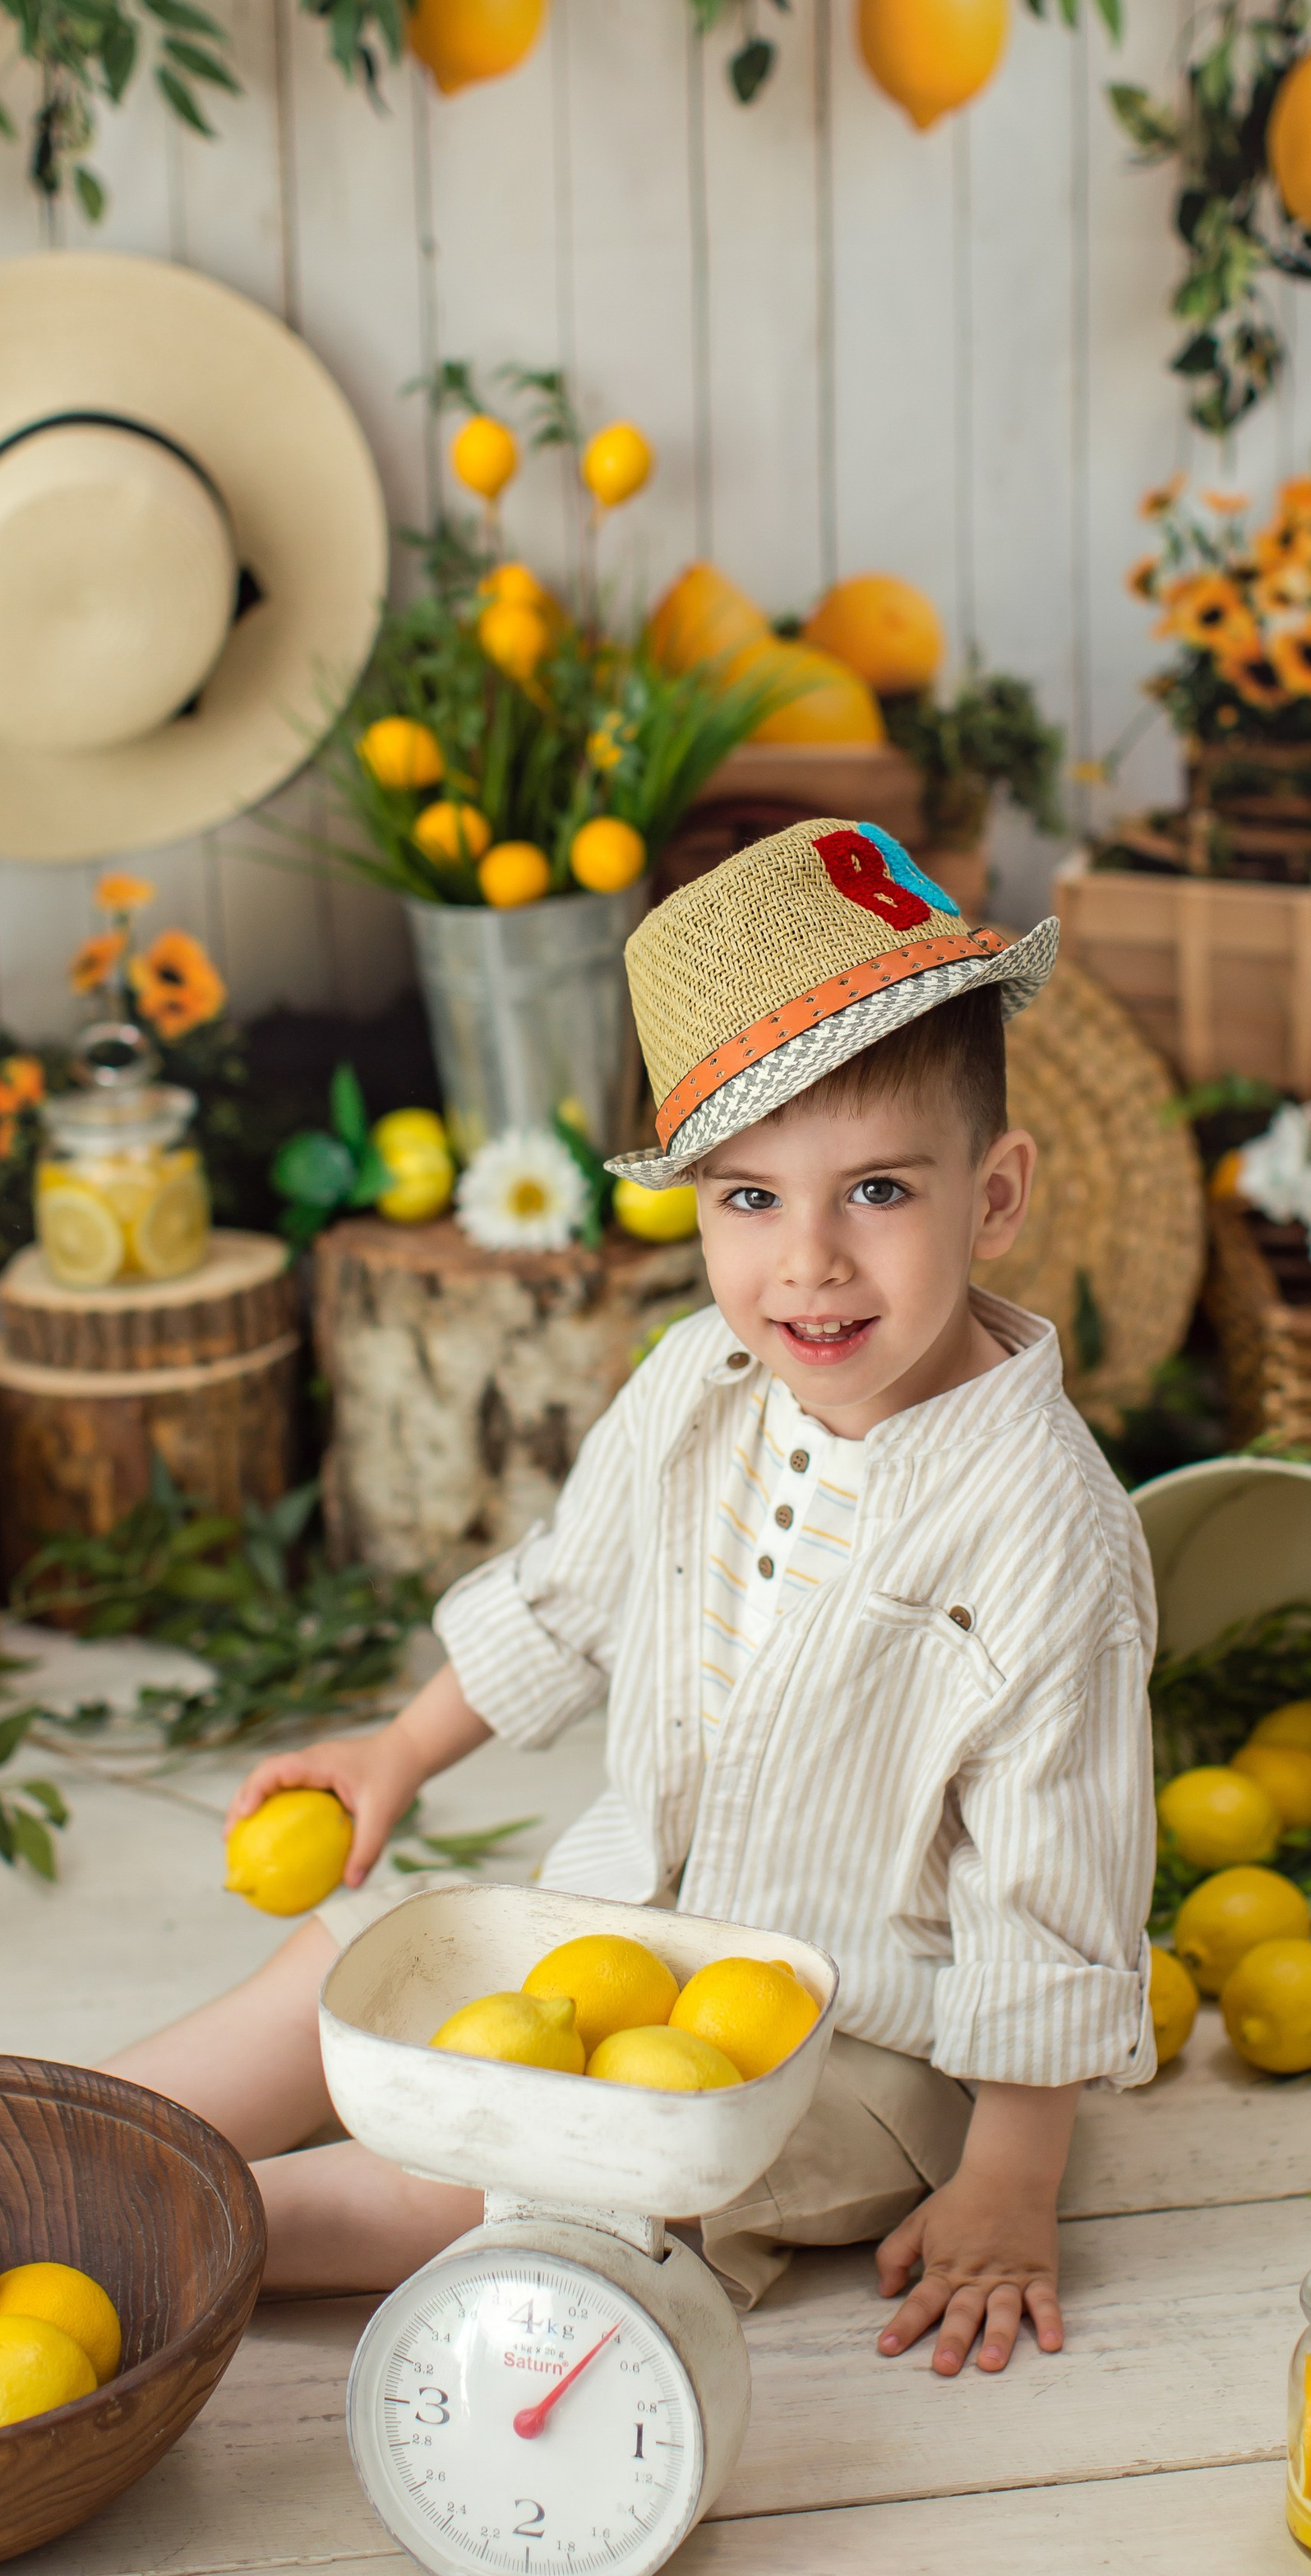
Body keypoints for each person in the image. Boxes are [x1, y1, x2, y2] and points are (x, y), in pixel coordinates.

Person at [110, 816, 1157, 2379]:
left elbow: (1053, 1887)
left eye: (874, 1190)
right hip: (623, 1929)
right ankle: (54, 2131)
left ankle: (140, 2240)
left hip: (846, 2043)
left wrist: (1011, 2181)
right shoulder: (696, 1385)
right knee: (352, 1950)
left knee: (521, 2174)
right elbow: (573, 1595)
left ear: (994, 1194)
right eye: (748, 1201)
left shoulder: (1045, 1532)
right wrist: (396, 1755)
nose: (807, 1263)